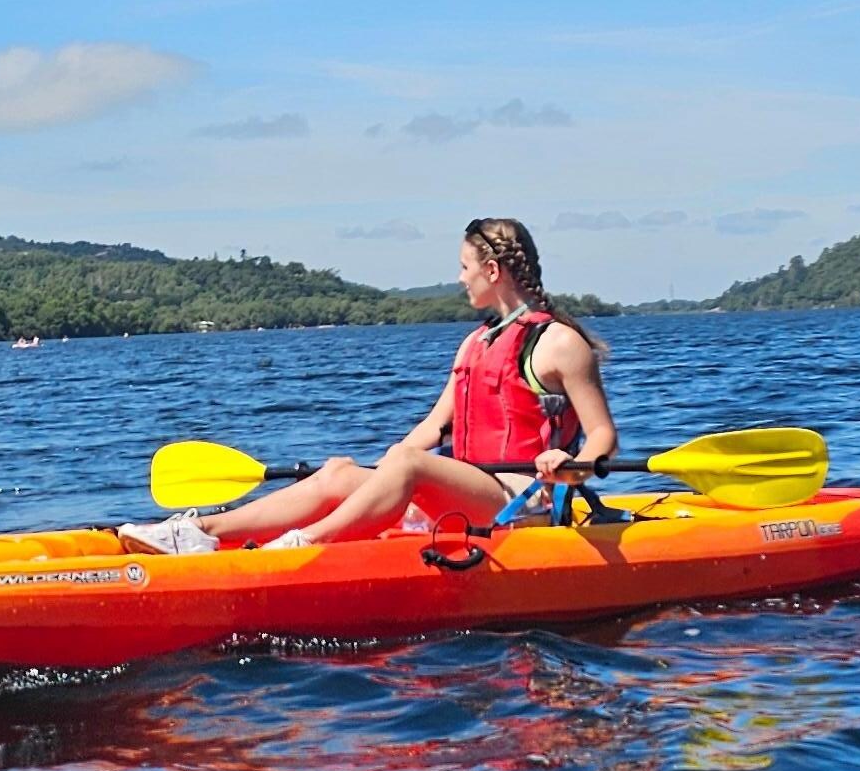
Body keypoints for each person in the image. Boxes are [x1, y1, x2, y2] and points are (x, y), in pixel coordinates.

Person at [144, 215, 618, 553]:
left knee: (407, 465)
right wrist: (375, 475)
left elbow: (603, 437)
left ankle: (303, 545)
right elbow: (433, 429)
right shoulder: (476, 343)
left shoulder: (558, 343)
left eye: (464, 267)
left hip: (522, 501)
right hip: (469, 490)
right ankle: (199, 530)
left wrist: (572, 465)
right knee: (337, 473)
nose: (459, 278)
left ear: (492, 272)